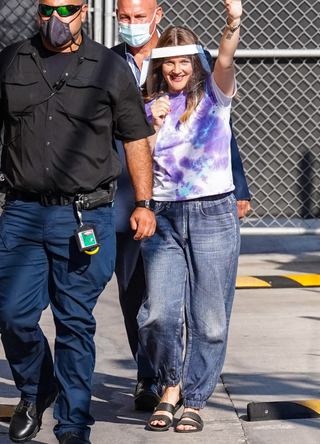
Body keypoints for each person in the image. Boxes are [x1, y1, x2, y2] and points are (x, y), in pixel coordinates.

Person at [0, 0, 156, 443]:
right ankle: (36, 389)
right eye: (48, 8)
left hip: (84, 215)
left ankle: (73, 425)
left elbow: (136, 138)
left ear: (83, 12)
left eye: (67, 8)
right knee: (11, 315)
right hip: (23, 213)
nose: (56, 17)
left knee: (73, 322)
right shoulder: (11, 60)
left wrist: (144, 201)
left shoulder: (108, 67)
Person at [112, 0, 250, 412]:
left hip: (212, 214)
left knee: (208, 321)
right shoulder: (152, 104)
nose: (176, 69)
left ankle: (191, 399)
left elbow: (226, 57)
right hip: (166, 215)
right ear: (160, 66)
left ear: (195, 63)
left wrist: (234, 21)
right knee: (156, 315)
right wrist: (148, 125)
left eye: (184, 61)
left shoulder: (215, 93)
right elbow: (145, 163)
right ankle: (168, 382)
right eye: (168, 63)